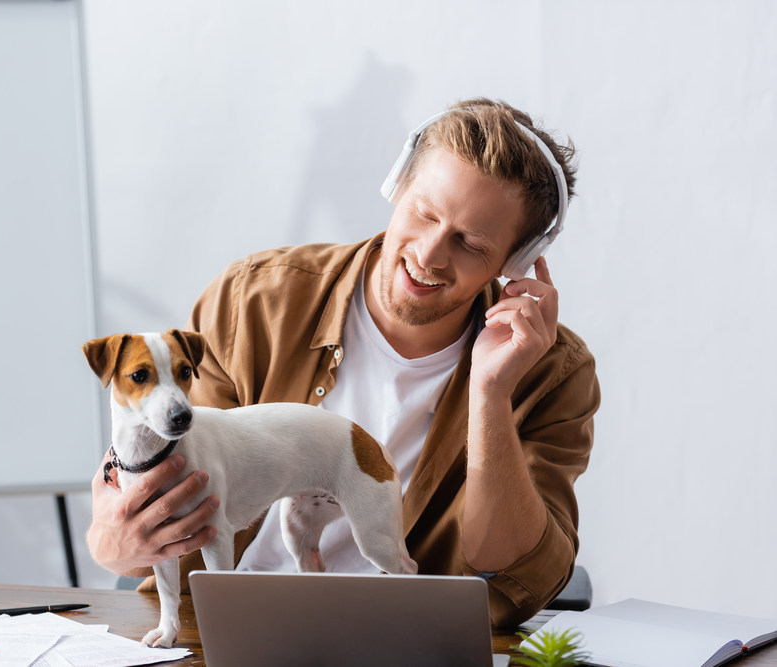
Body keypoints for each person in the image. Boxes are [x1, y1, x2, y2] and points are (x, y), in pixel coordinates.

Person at [86, 98, 599, 626]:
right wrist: (111, 541)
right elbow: (166, 489)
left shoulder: (552, 373)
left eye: (469, 242)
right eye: (424, 213)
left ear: (513, 263)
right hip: (223, 633)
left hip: (398, 639)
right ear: (397, 185)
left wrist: (490, 393)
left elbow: (518, 571)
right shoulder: (253, 300)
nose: (429, 255)